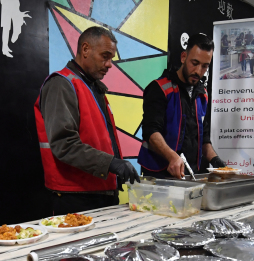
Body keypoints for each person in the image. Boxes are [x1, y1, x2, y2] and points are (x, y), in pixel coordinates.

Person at [35, 26, 139, 214]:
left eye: (111, 59)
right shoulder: (61, 84)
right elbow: (64, 145)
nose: (109, 64)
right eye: (105, 56)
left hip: (98, 193)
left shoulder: (92, 86)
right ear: (85, 49)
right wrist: (112, 163)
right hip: (75, 199)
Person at [138, 33, 226, 179]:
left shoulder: (202, 94)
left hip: (190, 174)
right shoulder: (159, 88)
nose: (198, 71)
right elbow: (151, 133)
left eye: (205, 66)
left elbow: (203, 138)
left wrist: (217, 162)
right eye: (195, 63)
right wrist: (172, 157)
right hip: (158, 176)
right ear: (183, 57)